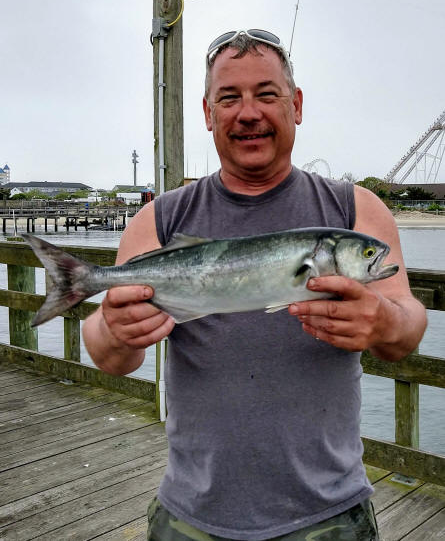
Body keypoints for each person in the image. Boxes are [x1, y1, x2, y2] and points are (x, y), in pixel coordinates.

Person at [82, 29, 427, 540]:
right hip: (191, 514)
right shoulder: (159, 220)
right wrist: (114, 329)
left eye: (267, 94)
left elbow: (407, 327)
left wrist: (384, 321)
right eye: (229, 98)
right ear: (207, 113)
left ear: (296, 105)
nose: (248, 113)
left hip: (330, 513)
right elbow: (110, 356)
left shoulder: (355, 210)